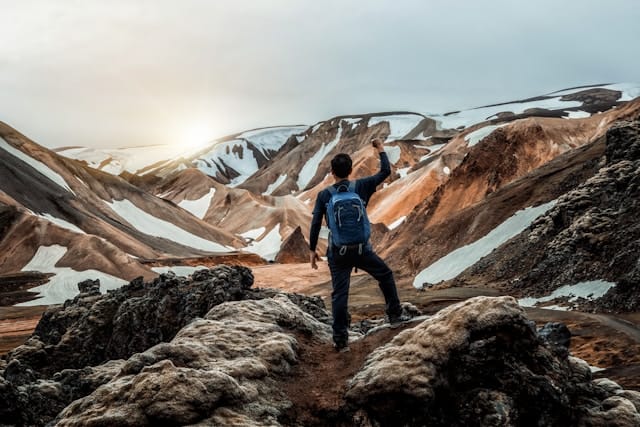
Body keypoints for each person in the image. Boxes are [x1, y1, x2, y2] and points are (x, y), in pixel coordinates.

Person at [309, 138, 408, 352]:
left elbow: (316, 223)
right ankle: (395, 316)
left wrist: (311, 251)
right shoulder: (361, 186)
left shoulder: (324, 195)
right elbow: (384, 172)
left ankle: (340, 339)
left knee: (340, 293)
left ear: (332, 172)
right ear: (351, 169)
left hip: (338, 253)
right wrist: (381, 150)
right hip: (363, 251)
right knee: (385, 275)